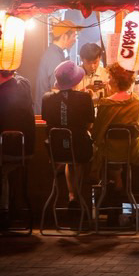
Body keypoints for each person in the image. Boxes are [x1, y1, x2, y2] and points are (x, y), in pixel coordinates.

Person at [41, 60, 95, 206]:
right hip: (80, 148)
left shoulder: (47, 98)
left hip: (55, 149)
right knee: (76, 159)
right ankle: (79, 197)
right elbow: (89, 124)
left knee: (69, 159)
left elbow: (48, 122)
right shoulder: (85, 98)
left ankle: (72, 196)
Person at [92, 63, 139, 193]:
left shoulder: (105, 104)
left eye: (110, 77)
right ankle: (119, 180)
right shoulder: (138, 102)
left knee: (102, 147)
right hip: (131, 150)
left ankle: (112, 181)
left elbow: (97, 132)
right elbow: (137, 127)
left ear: (115, 81)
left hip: (110, 150)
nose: (108, 80)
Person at [0, 60, 36, 216]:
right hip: (28, 148)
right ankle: (11, 203)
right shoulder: (25, 85)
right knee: (5, 168)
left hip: (8, 150)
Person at [34, 19, 78, 113]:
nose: (75, 40)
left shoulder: (55, 52)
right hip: (47, 113)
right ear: (64, 36)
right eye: (74, 36)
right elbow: (56, 89)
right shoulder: (54, 56)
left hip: (46, 110)